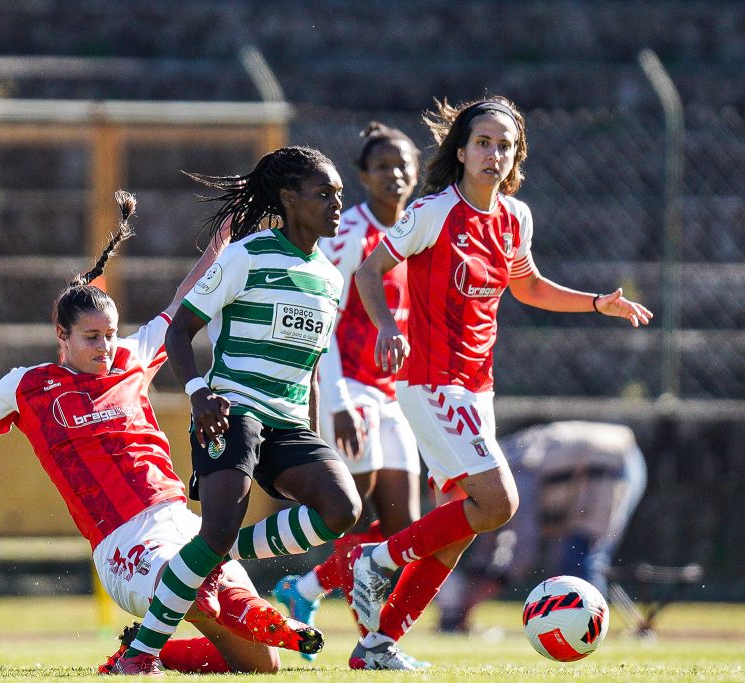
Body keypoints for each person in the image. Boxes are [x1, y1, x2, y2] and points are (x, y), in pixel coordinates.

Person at [0, 192, 324, 676]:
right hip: (123, 542)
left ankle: (149, 650)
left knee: (261, 664)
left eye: (110, 335)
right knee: (204, 593)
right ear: (61, 336)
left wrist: (223, 240)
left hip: (179, 521)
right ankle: (251, 622)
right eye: (91, 338)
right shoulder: (26, 387)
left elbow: (185, 299)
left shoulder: (133, 356)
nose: (105, 347)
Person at [347, 96, 653, 669]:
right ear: (461, 151)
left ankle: (376, 646)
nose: (494, 153)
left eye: (505, 145)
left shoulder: (515, 217)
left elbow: (529, 286)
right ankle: (380, 559)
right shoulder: (435, 212)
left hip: (476, 389)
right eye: (483, 142)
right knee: (500, 501)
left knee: (462, 525)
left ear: (516, 157)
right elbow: (369, 272)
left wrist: (596, 304)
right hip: (431, 383)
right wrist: (388, 326)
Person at [117, 146, 363, 674]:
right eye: (324, 194)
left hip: (289, 422)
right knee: (217, 528)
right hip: (232, 412)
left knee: (342, 509)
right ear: (289, 199)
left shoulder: (331, 278)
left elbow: (312, 370)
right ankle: (138, 654)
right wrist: (199, 393)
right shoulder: (247, 255)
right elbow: (181, 331)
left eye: (340, 195)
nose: (337, 204)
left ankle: (220, 553)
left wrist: (313, 437)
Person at [271, 123, 425, 665]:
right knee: (356, 518)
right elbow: (324, 321)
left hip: (395, 395)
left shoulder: (415, 230)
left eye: (403, 163)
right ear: (363, 177)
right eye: (382, 165)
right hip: (351, 388)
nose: (395, 174)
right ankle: (372, 645)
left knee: (406, 531)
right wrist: (333, 399)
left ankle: (307, 587)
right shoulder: (348, 233)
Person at [435, 421, 647, 632]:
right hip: (597, 465)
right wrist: (473, 588)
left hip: (610, 463)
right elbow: (490, 542)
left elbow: (522, 548)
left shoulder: (508, 474)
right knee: (569, 557)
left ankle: (585, 633)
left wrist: (467, 603)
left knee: (577, 556)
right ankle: (573, 629)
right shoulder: (488, 471)